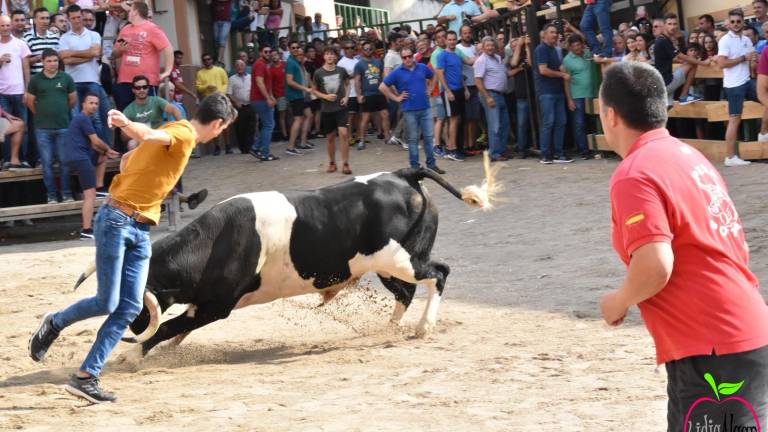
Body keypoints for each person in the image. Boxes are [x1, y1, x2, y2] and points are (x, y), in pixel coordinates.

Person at [28, 92, 237, 404]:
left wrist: (135, 165)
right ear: (218, 123)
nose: (221, 133)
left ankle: (86, 376)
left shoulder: (177, 130)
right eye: (223, 129)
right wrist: (127, 123)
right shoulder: (182, 134)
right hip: (117, 221)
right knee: (107, 301)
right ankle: (55, 322)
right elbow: (150, 134)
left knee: (126, 307)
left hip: (139, 228)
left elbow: (130, 157)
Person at [598, 61, 768, 432]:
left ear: (610, 116)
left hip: (712, 346)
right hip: (739, 331)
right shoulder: (690, 157)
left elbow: (656, 263)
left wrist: (619, 300)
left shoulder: (634, 173)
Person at [380, 47, 444, 174]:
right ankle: (415, 167)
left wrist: (430, 88)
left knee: (428, 137)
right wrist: (396, 98)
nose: (408, 59)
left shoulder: (422, 67)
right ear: (402, 58)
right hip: (409, 110)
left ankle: (431, 164)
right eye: (404, 57)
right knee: (413, 140)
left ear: (413, 56)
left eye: (409, 56)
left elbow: (434, 75)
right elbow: (382, 86)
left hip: (425, 108)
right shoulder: (397, 72)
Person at [63, 93, 119, 239]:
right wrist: (108, 149)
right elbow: (95, 141)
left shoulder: (83, 119)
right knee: (89, 196)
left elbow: (96, 147)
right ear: (83, 104)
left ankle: (100, 187)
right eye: (91, 103)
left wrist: (106, 151)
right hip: (80, 159)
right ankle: (86, 230)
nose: (94, 106)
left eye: (96, 103)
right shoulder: (83, 119)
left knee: (103, 155)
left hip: (79, 157)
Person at [26, 49, 77, 203]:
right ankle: (52, 196)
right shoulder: (35, 80)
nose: (52, 63)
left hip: (63, 126)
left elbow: (72, 100)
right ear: (42, 61)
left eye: (55, 60)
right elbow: (30, 102)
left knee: (64, 162)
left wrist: (61, 112)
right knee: (47, 164)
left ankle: (67, 194)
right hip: (42, 128)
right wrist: (40, 114)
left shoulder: (66, 78)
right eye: (49, 61)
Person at [60, 4, 112, 147]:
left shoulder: (94, 35)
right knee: (77, 118)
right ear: (69, 19)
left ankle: (102, 149)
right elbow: (66, 60)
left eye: (79, 17)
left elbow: (94, 53)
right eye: (73, 18)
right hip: (73, 83)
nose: (77, 20)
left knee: (96, 118)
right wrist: (86, 55)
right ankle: (83, 147)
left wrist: (72, 53)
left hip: (92, 81)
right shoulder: (64, 38)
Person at [111, 1, 172, 110]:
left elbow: (167, 48)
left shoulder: (152, 28)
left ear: (135, 12)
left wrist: (167, 71)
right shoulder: (125, 29)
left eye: (130, 10)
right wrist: (120, 50)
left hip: (146, 82)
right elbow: (115, 53)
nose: (128, 13)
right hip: (125, 81)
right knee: (126, 117)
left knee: (146, 117)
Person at [718, 9, 756, 167]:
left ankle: (763, 133)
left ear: (743, 22)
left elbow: (752, 58)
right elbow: (722, 63)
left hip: (747, 81)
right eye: (732, 21)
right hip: (733, 85)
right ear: (729, 22)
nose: (735, 24)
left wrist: (755, 60)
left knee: (766, 98)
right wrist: (743, 58)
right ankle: (730, 157)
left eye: (738, 21)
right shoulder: (725, 40)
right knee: (734, 119)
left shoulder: (746, 40)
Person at [534, 24, 573, 164]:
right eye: (551, 32)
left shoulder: (555, 50)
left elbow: (557, 68)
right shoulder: (541, 49)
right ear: (544, 34)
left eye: (556, 32)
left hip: (557, 91)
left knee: (560, 123)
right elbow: (543, 70)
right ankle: (545, 155)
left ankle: (558, 153)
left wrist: (561, 71)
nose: (555, 35)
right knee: (549, 123)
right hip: (547, 92)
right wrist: (562, 74)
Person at [311, 46, 351, 174]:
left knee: (344, 134)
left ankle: (345, 164)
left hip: (340, 107)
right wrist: (325, 96)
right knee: (330, 137)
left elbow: (348, 83)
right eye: (327, 54)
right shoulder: (318, 73)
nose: (330, 56)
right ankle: (332, 162)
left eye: (332, 54)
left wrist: (346, 97)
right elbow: (314, 90)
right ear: (324, 56)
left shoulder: (341, 70)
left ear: (336, 56)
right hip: (326, 109)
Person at [654, 13, 709, 107]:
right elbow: (682, 56)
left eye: (675, 24)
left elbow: (675, 58)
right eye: (669, 24)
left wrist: (683, 61)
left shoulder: (664, 39)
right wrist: (703, 63)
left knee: (665, 115)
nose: (673, 27)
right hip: (666, 82)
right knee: (693, 63)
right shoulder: (663, 41)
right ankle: (684, 95)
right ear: (664, 25)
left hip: (662, 84)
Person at [0, 14, 31, 170]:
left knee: (23, 127)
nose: (5, 28)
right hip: (1, 93)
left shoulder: (20, 44)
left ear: (11, 26)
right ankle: (6, 160)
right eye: (2, 25)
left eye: (7, 25)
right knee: (5, 128)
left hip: (19, 91)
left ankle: (22, 159)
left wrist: (27, 90)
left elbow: (26, 69)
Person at [474, 36, 509, 162]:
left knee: (504, 124)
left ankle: (501, 151)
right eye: (487, 46)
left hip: (500, 94)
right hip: (490, 94)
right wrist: (487, 97)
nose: (490, 47)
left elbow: (505, 73)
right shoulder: (481, 60)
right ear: (483, 48)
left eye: (492, 45)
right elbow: (478, 81)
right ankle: (494, 153)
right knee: (495, 125)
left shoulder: (498, 58)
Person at [123, 75, 183, 149]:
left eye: (144, 87)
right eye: (138, 88)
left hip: (159, 135)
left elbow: (174, 110)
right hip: (142, 138)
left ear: (148, 88)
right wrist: (135, 131)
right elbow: (123, 137)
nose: (141, 90)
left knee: (171, 136)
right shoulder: (128, 110)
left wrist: (182, 127)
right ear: (133, 90)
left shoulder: (156, 101)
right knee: (131, 144)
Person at [436, 30, 469, 162]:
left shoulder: (456, 55)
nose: (452, 42)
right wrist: (448, 91)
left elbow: (459, 73)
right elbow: (440, 74)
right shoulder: (441, 55)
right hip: (450, 92)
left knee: (460, 119)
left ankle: (458, 148)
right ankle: (452, 149)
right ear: (445, 41)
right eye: (449, 39)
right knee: (453, 120)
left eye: (454, 39)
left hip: (460, 90)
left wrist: (465, 88)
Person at [562, 34, 596, 160]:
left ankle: (596, 148)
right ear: (570, 47)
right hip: (577, 95)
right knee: (579, 124)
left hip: (592, 93)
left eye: (578, 45)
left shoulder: (588, 53)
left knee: (594, 122)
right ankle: (584, 151)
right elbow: (566, 81)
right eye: (574, 46)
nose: (577, 48)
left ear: (582, 44)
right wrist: (569, 100)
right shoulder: (567, 60)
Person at [354, 40, 390, 150]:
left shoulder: (378, 61)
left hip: (379, 92)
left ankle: (387, 137)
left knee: (385, 114)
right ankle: (362, 140)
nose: (368, 51)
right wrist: (359, 95)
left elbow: (383, 78)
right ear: (361, 50)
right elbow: (357, 81)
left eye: (370, 49)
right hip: (367, 94)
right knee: (365, 118)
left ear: (373, 49)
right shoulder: (359, 64)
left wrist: (386, 92)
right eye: (365, 49)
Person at [249, 44, 278, 161]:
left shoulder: (263, 65)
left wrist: (271, 96)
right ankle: (264, 152)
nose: (268, 54)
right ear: (261, 53)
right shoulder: (260, 65)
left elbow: (265, 84)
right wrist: (268, 98)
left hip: (259, 99)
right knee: (268, 125)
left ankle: (256, 148)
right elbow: (260, 83)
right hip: (259, 99)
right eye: (265, 52)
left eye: (269, 52)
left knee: (268, 125)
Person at [284, 42, 313, 154]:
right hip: (296, 95)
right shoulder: (291, 63)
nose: (296, 49)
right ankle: (291, 147)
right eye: (293, 48)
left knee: (308, 116)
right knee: (298, 119)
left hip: (300, 95)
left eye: (297, 47)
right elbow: (289, 81)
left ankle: (302, 143)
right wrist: (304, 89)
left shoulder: (295, 62)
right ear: (289, 49)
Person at [226, 58, 253, 154]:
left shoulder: (250, 77)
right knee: (240, 128)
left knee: (251, 126)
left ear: (245, 66)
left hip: (250, 104)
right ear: (235, 68)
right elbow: (229, 93)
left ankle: (250, 147)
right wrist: (236, 102)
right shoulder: (232, 79)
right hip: (239, 106)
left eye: (241, 65)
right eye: (237, 66)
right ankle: (243, 148)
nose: (240, 67)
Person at [23, 7, 60, 76]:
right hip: (36, 80)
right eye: (42, 18)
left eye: (47, 18)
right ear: (34, 20)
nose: (45, 21)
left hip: (54, 80)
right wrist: (39, 57)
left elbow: (59, 60)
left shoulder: (55, 37)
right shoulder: (27, 38)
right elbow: (23, 63)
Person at [337, 42, 360, 148]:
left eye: (352, 48)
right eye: (347, 48)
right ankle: (350, 136)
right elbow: (340, 79)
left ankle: (358, 136)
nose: (350, 49)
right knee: (349, 116)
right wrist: (353, 75)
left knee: (358, 115)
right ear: (344, 49)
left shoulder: (357, 60)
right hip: (349, 93)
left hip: (358, 91)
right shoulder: (341, 63)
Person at [268, 49, 288, 144]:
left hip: (289, 92)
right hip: (279, 94)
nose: (274, 57)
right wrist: (272, 96)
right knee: (282, 115)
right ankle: (285, 134)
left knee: (292, 114)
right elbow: (270, 84)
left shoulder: (285, 64)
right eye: (272, 55)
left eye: (275, 54)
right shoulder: (270, 69)